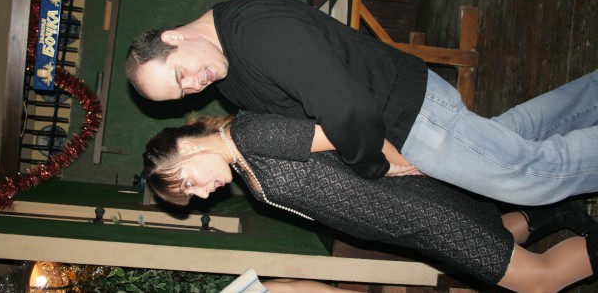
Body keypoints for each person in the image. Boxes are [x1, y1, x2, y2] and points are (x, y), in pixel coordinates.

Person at [126, 0, 598, 205]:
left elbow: (346, 109)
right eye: (184, 92)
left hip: (406, 115)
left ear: (174, 37)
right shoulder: (228, 74)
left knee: (529, 178)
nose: (195, 85)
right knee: (517, 137)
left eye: (181, 74)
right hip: (402, 110)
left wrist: (376, 165)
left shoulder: (255, 32)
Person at [144, 111, 598, 293]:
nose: (201, 195)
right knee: (494, 234)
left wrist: (403, 164)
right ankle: (557, 212)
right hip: (405, 221)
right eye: (191, 197)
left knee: (539, 280)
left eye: (188, 184)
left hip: (417, 209)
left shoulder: (251, 135)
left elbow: (345, 131)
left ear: (188, 147)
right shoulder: (244, 163)